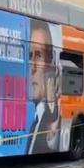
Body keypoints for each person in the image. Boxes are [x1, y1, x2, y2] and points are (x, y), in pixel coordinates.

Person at [27, 20, 61, 154]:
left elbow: (52, 145)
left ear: (50, 64)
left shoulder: (51, 113)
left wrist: (52, 125)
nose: (33, 67)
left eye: (38, 55)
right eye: (29, 56)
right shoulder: (33, 115)